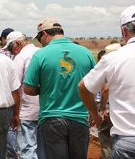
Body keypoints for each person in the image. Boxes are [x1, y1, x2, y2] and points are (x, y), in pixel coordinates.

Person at [24, 17, 96, 159]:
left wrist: (44, 87)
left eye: (39, 38)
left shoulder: (40, 55)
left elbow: (28, 89)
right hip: (80, 118)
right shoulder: (85, 53)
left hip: (51, 118)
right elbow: (96, 83)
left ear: (44, 34)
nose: (40, 43)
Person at [79, 5, 135, 159]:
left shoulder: (113, 58)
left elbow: (83, 87)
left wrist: (94, 113)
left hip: (127, 138)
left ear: (124, 31)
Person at [4, 31, 44, 159]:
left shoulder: (21, 57)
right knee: (42, 149)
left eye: (10, 48)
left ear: (17, 44)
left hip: (27, 110)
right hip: (45, 109)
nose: (11, 52)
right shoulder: (42, 53)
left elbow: (14, 87)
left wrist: (15, 113)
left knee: (27, 148)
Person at [0, 27, 18, 159]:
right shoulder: (21, 53)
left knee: (9, 128)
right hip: (25, 95)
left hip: (7, 96)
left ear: (3, 39)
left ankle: (11, 155)